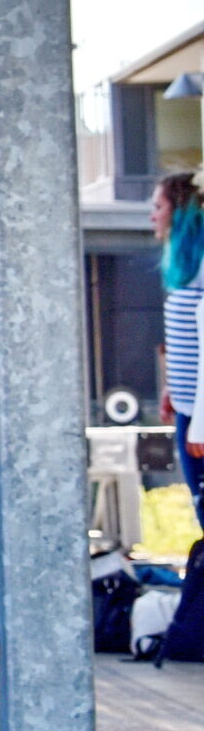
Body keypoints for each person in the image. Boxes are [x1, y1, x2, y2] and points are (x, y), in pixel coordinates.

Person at [156, 172, 204, 523]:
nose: (152, 216)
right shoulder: (188, 270)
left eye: (159, 206)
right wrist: (174, 387)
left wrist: (200, 423)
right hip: (188, 409)